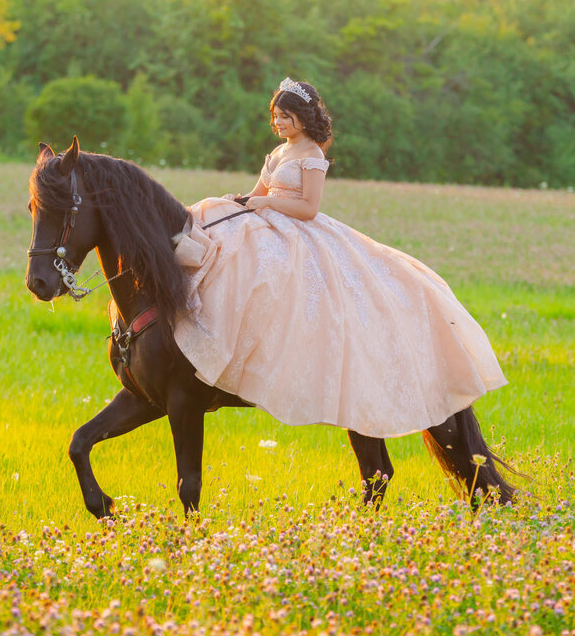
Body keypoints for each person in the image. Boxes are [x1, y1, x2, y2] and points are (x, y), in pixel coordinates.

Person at [171, 78, 506, 438]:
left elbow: (308, 208)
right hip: (266, 221)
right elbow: (258, 191)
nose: (279, 123)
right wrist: (238, 202)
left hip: (296, 229)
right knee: (217, 234)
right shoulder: (278, 152)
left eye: (285, 117)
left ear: (303, 117)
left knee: (274, 273)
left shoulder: (312, 155)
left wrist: (266, 203)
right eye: (275, 116)